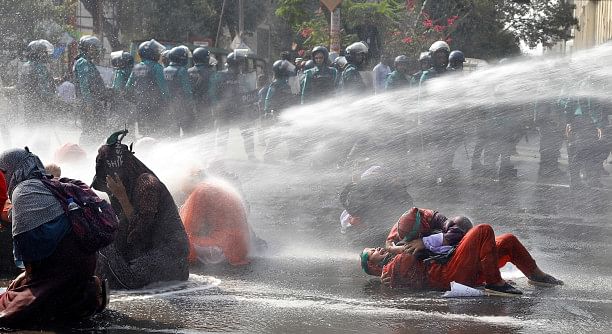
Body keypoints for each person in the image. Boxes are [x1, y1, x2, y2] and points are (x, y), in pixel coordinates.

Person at [0, 148, 107, 326]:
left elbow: (30, 256)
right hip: (84, 270)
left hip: (57, 275)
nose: (3, 177)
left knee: (7, 311)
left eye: (4, 172)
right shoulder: (52, 185)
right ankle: (87, 292)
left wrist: (26, 277)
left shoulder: (24, 193)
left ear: (13, 169)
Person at [91, 130, 189, 289]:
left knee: (104, 249)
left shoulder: (147, 185)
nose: (107, 184)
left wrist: (122, 197)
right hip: (144, 254)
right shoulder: (120, 186)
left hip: (165, 260)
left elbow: (143, 231)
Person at [361, 224, 563, 295]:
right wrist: (395, 250)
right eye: (372, 252)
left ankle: (536, 275)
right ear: (373, 265)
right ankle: (495, 283)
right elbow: (404, 266)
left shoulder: (394, 253)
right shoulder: (389, 270)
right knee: (483, 231)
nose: (377, 248)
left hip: (456, 262)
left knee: (507, 240)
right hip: (449, 272)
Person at [179, 170, 266, 266]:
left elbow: (191, 227)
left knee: (181, 243)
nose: (187, 195)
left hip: (223, 249)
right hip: (242, 244)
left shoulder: (201, 192)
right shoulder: (219, 187)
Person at [210, 51, 259, 161]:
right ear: (239, 65)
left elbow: (213, 94)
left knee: (223, 135)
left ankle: (220, 158)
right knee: (247, 134)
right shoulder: (243, 78)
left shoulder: (219, 75)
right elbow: (251, 93)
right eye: (241, 64)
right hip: (238, 110)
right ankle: (251, 156)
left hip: (226, 111)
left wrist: (216, 107)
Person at [125, 39, 169, 137]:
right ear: (151, 53)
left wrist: (136, 100)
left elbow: (128, 87)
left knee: (143, 134)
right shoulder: (157, 67)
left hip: (141, 106)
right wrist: (168, 102)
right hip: (156, 106)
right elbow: (163, 88)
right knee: (155, 133)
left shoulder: (136, 68)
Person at [73, 35, 108, 148]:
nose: (96, 50)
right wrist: (88, 103)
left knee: (97, 129)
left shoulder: (88, 62)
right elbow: (84, 85)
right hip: (88, 102)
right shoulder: (82, 62)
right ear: (86, 48)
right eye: (93, 48)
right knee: (89, 129)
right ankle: (86, 151)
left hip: (93, 101)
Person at [263, 59, 297, 163]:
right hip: (279, 113)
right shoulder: (276, 84)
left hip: (285, 113)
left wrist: (267, 110)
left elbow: (268, 98)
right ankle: (268, 154)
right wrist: (267, 110)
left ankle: (269, 154)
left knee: (281, 135)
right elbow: (268, 98)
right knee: (280, 135)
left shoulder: (288, 83)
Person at [18, 39, 56, 123]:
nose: (45, 55)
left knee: (30, 121)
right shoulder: (40, 66)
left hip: (28, 98)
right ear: (37, 53)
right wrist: (49, 96)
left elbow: (21, 84)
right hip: (39, 99)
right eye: (43, 52)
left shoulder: (26, 65)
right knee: (40, 122)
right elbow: (43, 84)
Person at [164, 46, 195, 137]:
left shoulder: (164, 70)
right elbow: (187, 90)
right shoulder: (182, 70)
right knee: (188, 132)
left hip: (170, 105)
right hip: (182, 105)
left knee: (174, 132)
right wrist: (191, 104)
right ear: (182, 58)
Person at [188, 47, 215, 131]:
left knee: (196, 129)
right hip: (207, 104)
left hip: (193, 104)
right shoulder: (210, 71)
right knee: (208, 129)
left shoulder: (189, 71)